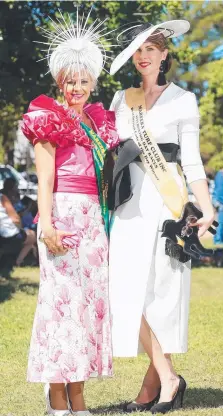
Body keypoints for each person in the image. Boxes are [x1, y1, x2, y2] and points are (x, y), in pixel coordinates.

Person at [108, 21, 215, 414]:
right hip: (129, 204)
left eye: (152, 47)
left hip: (167, 201)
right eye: (138, 49)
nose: (144, 55)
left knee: (161, 295)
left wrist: (206, 207)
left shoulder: (183, 99)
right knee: (124, 289)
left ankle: (153, 387)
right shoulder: (123, 100)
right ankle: (168, 376)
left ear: (165, 53)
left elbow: (191, 161)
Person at [21, 10, 119, 416]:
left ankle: (78, 394)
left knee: (87, 307)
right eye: (69, 81)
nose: (76, 87)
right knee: (60, 305)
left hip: (94, 221)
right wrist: (46, 224)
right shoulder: (49, 118)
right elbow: (44, 180)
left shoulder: (98, 124)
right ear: (59, 82)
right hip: (62, 216)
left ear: (92, 82)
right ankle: (58, 395)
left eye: (83, 81)